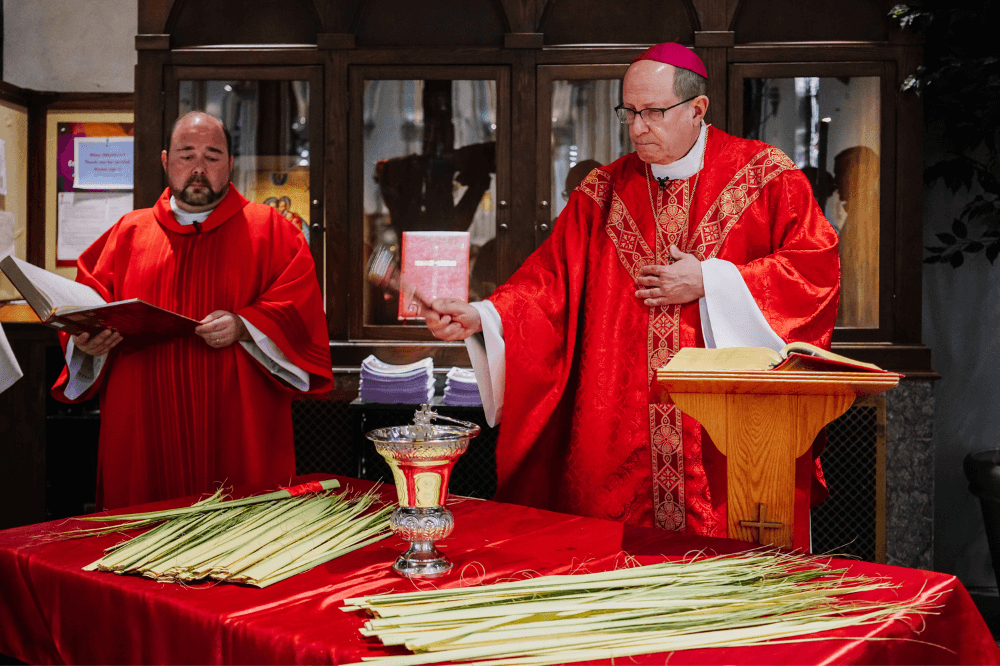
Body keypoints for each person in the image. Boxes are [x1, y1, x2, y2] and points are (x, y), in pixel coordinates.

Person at [424, 43, 840, 549]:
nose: (637, 126)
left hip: (725, 437)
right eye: (629, 112)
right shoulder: (602, 193)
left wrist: (712, 281)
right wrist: (479, 316)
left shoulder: (765, 178)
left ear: (698, 109)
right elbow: (547, 285)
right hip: (616, 436)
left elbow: (813, 271)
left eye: (652, 112)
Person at [52, 111, 333, 510]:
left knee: (242, 544)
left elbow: (298, 307)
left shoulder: (272, 231)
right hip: (145, 420)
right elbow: (85, 305)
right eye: (186, 156)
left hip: (236, 420)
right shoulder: (127, 233)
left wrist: (245, 324)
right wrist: (87, 341)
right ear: (165, 161)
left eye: (212, 156)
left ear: (231, 165)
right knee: (139, 545)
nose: (199, 169)